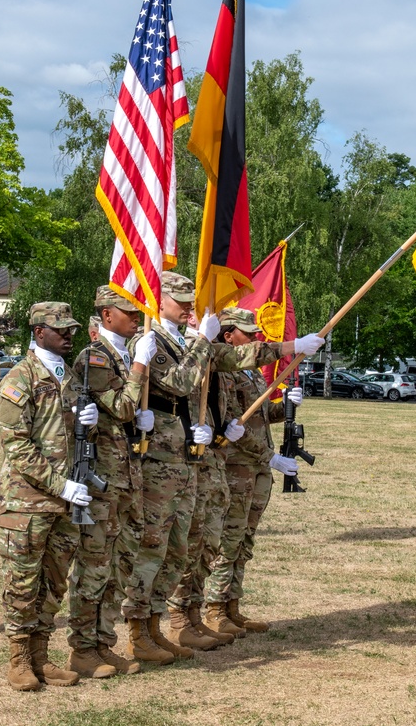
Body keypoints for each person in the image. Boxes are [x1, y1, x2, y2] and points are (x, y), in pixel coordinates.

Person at [165, 308, 323, 649]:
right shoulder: (227, 371)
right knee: (225, 543)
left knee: (244, 541)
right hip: (237, 466)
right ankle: (214, 609)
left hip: (255, 470)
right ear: (227, 336)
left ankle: (231, 606)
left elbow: (259, 418)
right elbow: (234, 427)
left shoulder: (251, 375)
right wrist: (271, 457)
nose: (253, 338)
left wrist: (286, 406)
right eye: (246, 334)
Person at [0, 302, 95, 692]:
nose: (68, 335)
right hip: (27, 501)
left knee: (54, 583)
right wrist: (60, 485)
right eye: (60, 330)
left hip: (65, 500)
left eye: (70, 329)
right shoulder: (19, 379)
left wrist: (91, 422)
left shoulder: (68, 377)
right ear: (38, 332)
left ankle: (41, 655)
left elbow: (71, 438)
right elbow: (16, 447)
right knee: (22, 581)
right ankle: (19, 658)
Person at [120, 272, 219, 664]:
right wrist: (203, 341)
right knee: (152, 546)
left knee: (179, 548)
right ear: (159, 302)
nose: (188, 307)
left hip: (185, 454)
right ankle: (135, 629)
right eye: (179, 300)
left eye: (189, 300)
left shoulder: (181, 340)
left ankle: (156, 624)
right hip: (157, 457)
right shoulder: (148, 339)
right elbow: (178, 383)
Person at [65, 286, 157, 678]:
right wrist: (138, 366)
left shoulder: (118, 355)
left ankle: (104, 643)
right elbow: (121, 406)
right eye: (128, 313)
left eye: (137, 313)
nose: (136, 319)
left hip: (126, 475)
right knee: (94, 564)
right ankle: (83, 648)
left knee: (121, 562)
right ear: (106, 316)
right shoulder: (95, 357)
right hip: (102, 478)